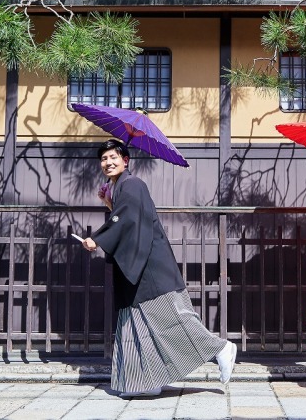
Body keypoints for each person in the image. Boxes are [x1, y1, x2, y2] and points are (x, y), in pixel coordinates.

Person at [80, 139, 237, 398]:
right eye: (104, 159)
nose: (108, 163)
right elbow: (125, 215)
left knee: (172, 318)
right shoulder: (122, 188)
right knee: (135, 325)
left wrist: (98, 238)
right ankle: (147, 381)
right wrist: (109, 203)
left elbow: (127, 219)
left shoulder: (132, 185)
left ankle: (220, 349)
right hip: (136, 266)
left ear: (125, 160)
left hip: (149, 267)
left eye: (113, 157)